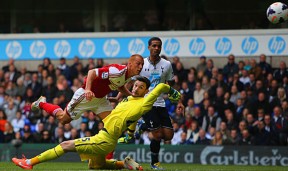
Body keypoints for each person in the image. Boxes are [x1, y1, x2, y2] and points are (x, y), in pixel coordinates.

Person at [12, 76, 182, 170]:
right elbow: (131, 122)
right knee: (96, 166)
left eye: (140, 87)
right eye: (135, 85)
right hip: (107, 138)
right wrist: (129, 135)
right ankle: (125, 164)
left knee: (65, 145)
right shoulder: (129, 99)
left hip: (105, 139)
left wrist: (173, 92)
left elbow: (160, 87)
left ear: (146, 91)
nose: (136, 88)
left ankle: (29, 163)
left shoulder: (145, 102)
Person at [120, 37, 183, 170]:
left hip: (160, 103)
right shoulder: (141, 63)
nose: (156, 48)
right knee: (157, 135)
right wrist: (119, 96)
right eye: (154, 46)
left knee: (168, 135)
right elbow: (130, 82)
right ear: (148, 47)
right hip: (146, 102)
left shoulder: (166, 64)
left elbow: (171, 85)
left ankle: (142, 125)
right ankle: (155, 163)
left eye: (158, 46)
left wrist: (179, 102)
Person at [31, 54, 144, 125]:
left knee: (112, 126)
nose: (140, 67)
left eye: (142, 65)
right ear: (129, 64)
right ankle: (41, 103)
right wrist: (87, 90)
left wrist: (124, 96)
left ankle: (106, 160)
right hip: (86, 97)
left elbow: (119, 85)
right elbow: (92, 72)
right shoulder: (116, 71)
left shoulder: (129, 76)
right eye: (138, 64)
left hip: (100, 100)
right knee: (63, 119)